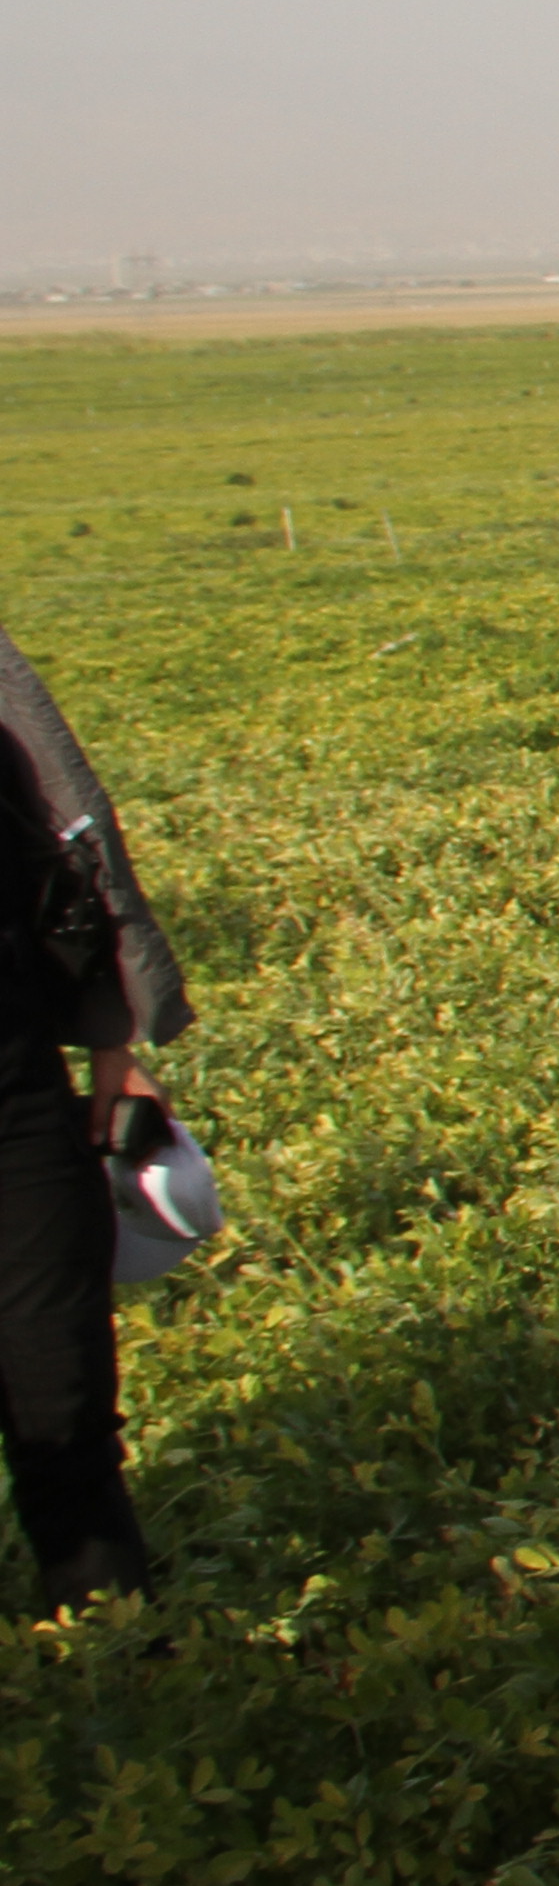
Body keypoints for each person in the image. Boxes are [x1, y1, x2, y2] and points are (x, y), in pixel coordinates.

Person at [0, 628, 193, 1614]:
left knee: (62, 1388)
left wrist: (114, 1030)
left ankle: (120, 1663)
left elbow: (65, 829)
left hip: (15, 1086)